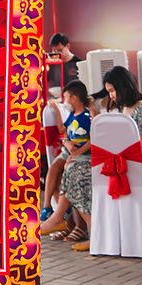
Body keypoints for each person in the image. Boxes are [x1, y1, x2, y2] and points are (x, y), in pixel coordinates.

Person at [38, 80, 92, 247]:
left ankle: (71, 221)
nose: (65, 101)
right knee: (54, 169)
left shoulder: (87, 116)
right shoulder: (72, 115)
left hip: (81, 155)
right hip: (69, 151)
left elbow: (93, 138)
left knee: (69, 172)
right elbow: (64, 131)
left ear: (74, 98)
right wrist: (67, 143)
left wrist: (76, 152)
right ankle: (49, 208)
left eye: (66, 97)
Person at [100, 66, 142, 181]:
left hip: (140, 163)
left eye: (112, 91)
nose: (111, 96)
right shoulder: (123, 108)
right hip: (126, 159)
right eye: (109, 92)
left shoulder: (141, 109)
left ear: (123, 87)